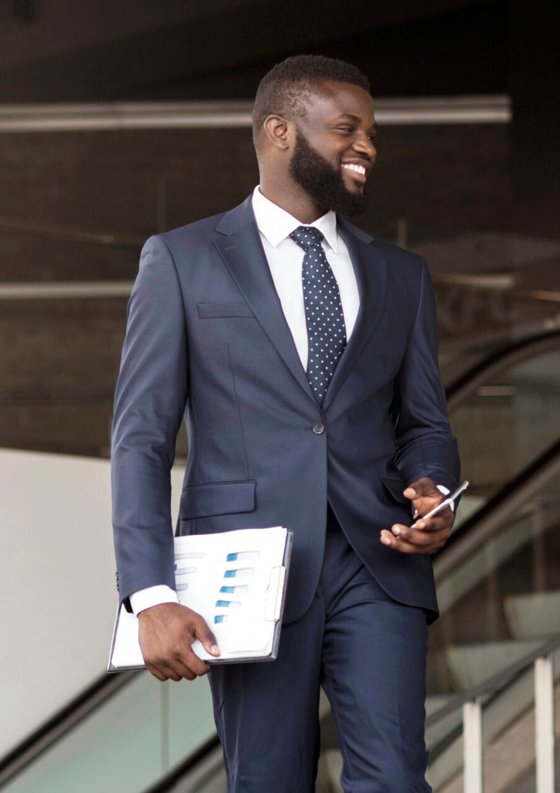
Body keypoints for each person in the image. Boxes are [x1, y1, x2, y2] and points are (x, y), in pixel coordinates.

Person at [110, 54, 460, 791]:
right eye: (347, 128)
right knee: (268, 780)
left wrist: (433, 488)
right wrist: (150, 593)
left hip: (378, 562)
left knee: (397, 779)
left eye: (372, 133)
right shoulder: (182, 260)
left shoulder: (401, 274)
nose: (367, 146)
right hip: (246, 571)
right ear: (280, 132)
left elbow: (425, 423)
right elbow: (141, 439)